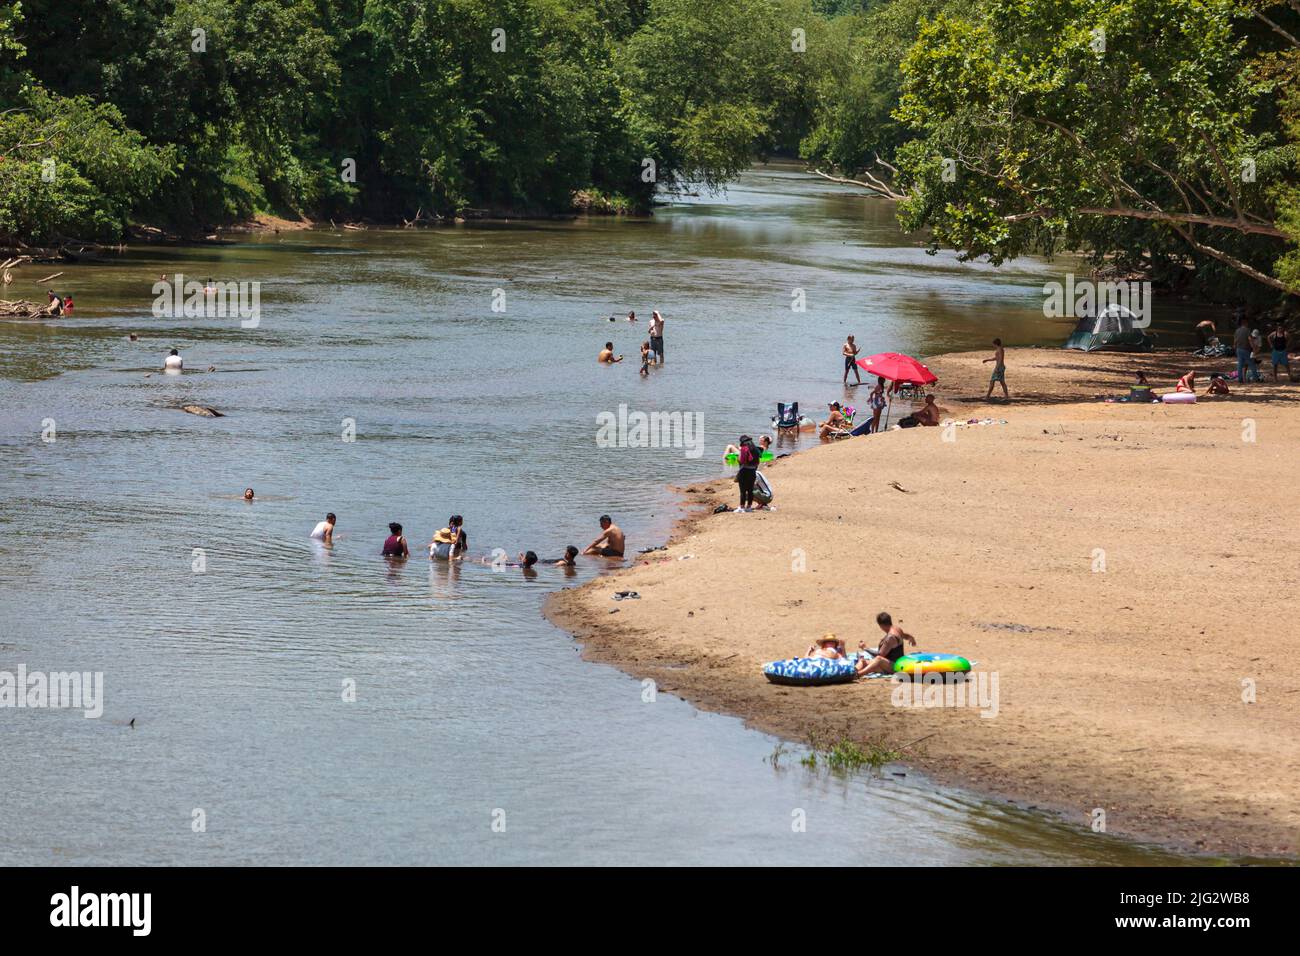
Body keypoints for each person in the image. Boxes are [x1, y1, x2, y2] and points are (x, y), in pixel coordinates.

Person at [856, 611, 918, 676]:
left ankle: (859, 674)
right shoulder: (897, 629)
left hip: (895, 666)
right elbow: (906, 636)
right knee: (863, 661)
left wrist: (865, 648)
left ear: (881, 625)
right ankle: (853, 671)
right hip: (888, 664)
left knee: (878, 659)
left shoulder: (890, 637)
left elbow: (880, 655)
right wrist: (911, 638)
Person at [734, 434, 762, 512]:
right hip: (752, 471)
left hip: (744, 472)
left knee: (742, 491)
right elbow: (758, 462)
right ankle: (749, 507)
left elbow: (740, 460)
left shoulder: (744, 449)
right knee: (750, 490)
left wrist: (738, 456)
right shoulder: (756, 449)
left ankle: (741, 507)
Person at [1233, 315, 1253, 384]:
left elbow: (1235, 341)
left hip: (1238, 349)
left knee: (1240, 365)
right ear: (1245, 323)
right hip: (1246, 349)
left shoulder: (1237, 330)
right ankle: (1256, 378)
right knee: (1251, 364)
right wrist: (1253, 347)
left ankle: (1240, 379)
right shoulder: (1247, 330)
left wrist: (1235, 347)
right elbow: (1250, 340)